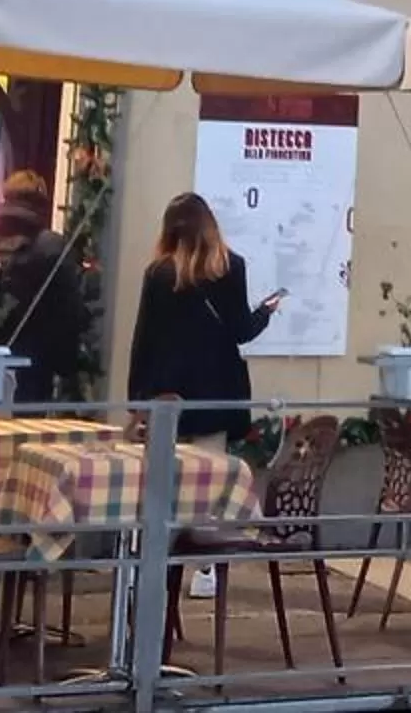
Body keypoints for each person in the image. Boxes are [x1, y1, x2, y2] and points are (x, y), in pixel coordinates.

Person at [127, 193, 283, 599]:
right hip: (216, 390)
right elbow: (240, 332)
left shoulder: (158, 273)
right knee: (208, 479)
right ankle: (204, 568)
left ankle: (156, 559)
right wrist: (266, 311)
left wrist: (136, 398)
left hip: (168, 394)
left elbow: (143, 338)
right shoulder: (232, 268)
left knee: (163, 478)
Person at [0, 170, 87, 403]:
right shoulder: (50, 246)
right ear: (41, 201)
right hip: (31, 370)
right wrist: (67, 369)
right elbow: (68, 315)